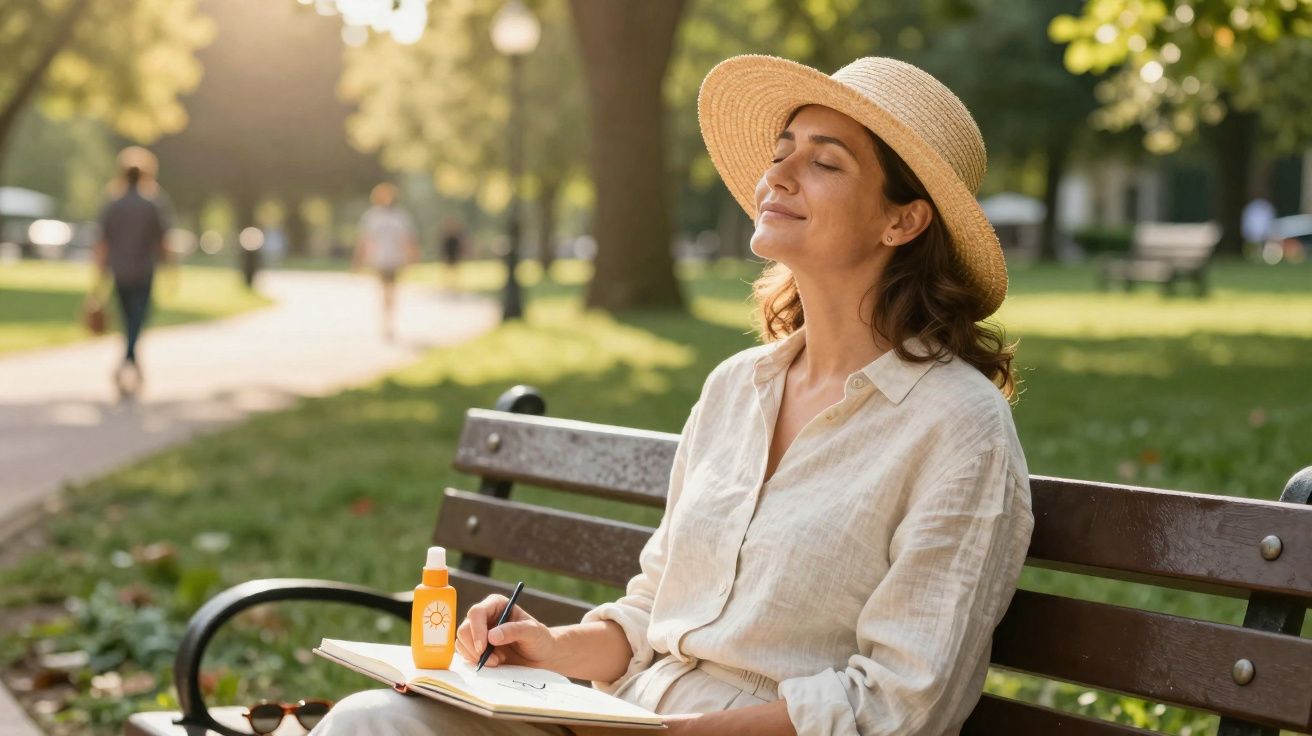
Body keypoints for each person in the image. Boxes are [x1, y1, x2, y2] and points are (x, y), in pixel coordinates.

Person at [312, 55, 1033, 736]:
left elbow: (903, 702)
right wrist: (551, 647)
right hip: (623, 714)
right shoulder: (735, 389)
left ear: (901, 220)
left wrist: (683, 732)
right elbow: (652, 611)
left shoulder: (957, 426)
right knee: (366, 723)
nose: (778, 173)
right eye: (782, 149)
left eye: (824, 161)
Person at [92, 147, 171, 399]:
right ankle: (129, 360)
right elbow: (163, 240)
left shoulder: (113, 203)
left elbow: (102, 243)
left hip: (120, 269)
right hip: (144, 269)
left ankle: (128, 360)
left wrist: (99, 272)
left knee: (129, 318)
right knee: (137, 318)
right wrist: (171, 268)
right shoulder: (153, 203)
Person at [353, 183, 419, 340]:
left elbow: (408, 239)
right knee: (384, 290)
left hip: (395, 259)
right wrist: (358, 260)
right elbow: (364, 240)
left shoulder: (400, 216)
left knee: (392, 290)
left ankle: (389, 321)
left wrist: (412, 257)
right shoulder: (371, 217)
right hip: (379, 260)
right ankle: (386, 322)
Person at [439, 215, 465, 291]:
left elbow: (460, 246)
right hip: (448, 256)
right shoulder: (445, 236)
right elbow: (443, 247)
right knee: (447, 273)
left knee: (455, 273)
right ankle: (447, 286)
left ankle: (455, 287)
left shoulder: (456, 237)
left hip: (455, 256)